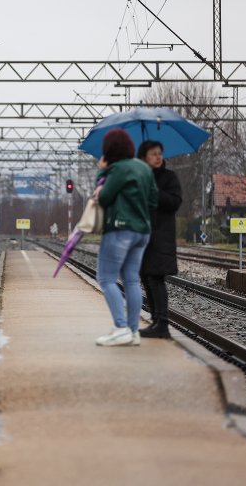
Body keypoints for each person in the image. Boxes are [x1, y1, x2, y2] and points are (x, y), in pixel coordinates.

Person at [93, 128, 158, 346]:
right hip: (142, 232)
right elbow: (153, 201)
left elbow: (103, 198)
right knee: (131, 280)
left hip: (120, 229)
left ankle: (121, 327)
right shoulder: (144, 168)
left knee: (106, 278)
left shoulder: (117, 169)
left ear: (109, 150)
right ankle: (133, 331)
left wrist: (102, 172)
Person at [137, 140, 182, 339]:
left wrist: (155, 192)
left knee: (156, 278)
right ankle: (155, 320)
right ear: (144, 157)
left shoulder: (168, 177)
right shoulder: (139, 177)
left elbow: (174, 202)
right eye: (153, 154)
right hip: (141, 236)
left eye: (159, 153)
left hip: (161, 236)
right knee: (145, 276)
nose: (158, 157)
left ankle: (162, 323)